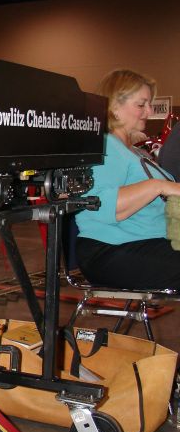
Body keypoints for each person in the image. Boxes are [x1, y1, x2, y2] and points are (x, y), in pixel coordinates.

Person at [74, 69, 180, 289]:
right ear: (113, 106)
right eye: (141, 104)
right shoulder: (106, 146)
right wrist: (159, 186)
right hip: (111, 250)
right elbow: (98, 205)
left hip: (146, 243)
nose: (149, 111)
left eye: (149, 104)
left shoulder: (135, 152)